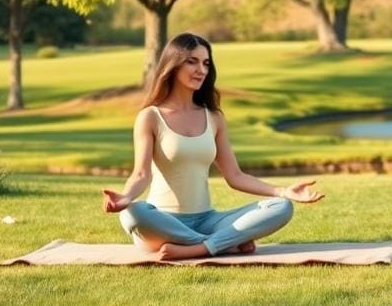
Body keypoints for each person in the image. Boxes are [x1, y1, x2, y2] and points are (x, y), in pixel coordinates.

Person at [102, 32, 324, 261]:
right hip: (162, 222)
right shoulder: (150, 117)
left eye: (206, 63)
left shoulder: (214, 118)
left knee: (281, 207)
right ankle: (223, 244)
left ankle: (197, 248)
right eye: (192, 61)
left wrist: (284, 191)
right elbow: (141, 174)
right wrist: (126, 197)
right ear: (173, 64)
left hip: (208, 221)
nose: (201, 70)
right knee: (133, 214)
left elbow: (235, 176)